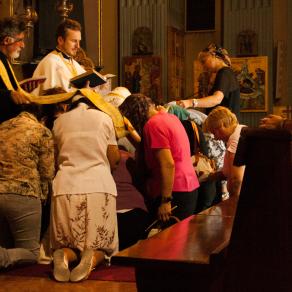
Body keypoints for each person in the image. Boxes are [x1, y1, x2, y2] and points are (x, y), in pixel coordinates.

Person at [50, 93, 120, 282]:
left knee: (68, 242)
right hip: (98, 184)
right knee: (102, 246)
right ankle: (92, 258)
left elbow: (55, 158)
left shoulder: (59, 122)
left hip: (66, 185)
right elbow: (114, 157)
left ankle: (63, 256)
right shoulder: (104, 118)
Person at [119, 93, 200, 223]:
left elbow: (167, 163)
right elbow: (151, 148)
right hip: (188, 185)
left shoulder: (153, 125)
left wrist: (165, 200)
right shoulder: (169, 118)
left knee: (169, 240)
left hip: (174, 190)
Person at [0, 104, 55, 268]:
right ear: (43, 118)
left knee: (8, 250)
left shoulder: (2, 126)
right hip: (24, 194)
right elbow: (46, 172)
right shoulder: (41, 131)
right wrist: (45, 195)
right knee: (30, 253)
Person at [177, 43, 241, 119]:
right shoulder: (227, 73)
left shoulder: (224, 73)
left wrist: (190, 102)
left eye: (204, 61)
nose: (203, 67)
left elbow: (217, 99)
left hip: (225, 126)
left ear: (214, 55)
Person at [32, 18, 86, 94]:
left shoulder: (73, 63)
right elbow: (51, 96)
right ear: (60, 40)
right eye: (74, 41)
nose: (78, 46)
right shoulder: (50, 62)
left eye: (79, 41)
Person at [203, 106, 246, 197]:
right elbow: (228, 171)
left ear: (221, 125)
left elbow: (236, 179)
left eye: (214, 133)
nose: (216, 138)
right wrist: (209, 176)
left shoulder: (235, 140)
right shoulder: (242, 130)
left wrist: (233, 202)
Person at [0, 16, 31, 123]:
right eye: (20, 40)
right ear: (7, 40)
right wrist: (9, 95)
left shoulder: (5, 60)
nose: (23, 45)